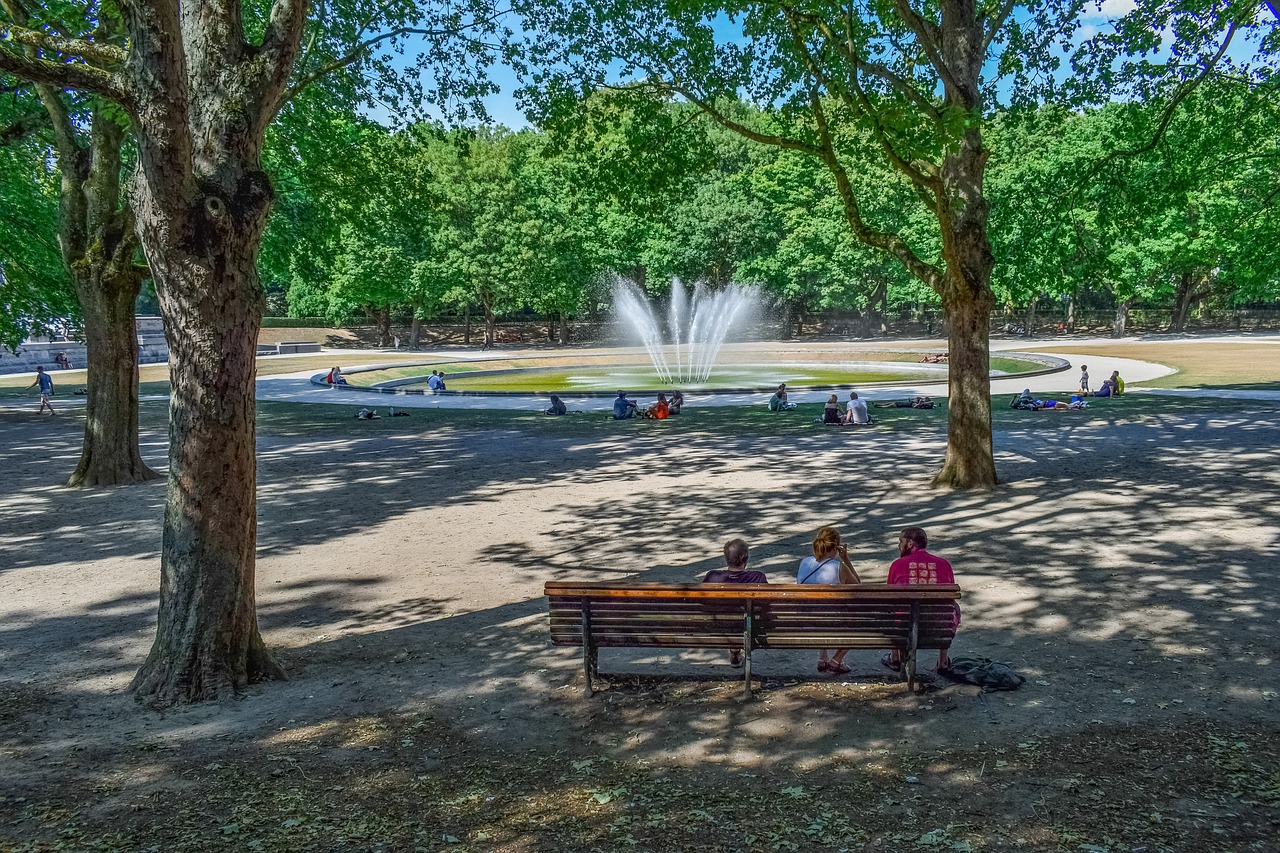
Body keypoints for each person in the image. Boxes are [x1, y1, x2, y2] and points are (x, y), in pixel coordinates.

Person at [885, 527, 959, 672]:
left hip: (904, 627)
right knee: (952, 606)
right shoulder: (944, 564)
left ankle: (895, 656)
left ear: (910, 543)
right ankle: (943, 661)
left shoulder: (897, 565)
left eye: (901, 541)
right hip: (938, 626)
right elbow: (949, 598)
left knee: (893, 606)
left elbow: (890, 597)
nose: (899, 545)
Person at [796, 527, 861, 675]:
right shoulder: (839, 567)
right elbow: (858, 586)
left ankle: (822, 657)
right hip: (834, 623)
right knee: (859, 619)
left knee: (820, 610)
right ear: (836, 547)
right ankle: (837, 659)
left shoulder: (804, 563)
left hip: (806, 621)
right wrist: (846, 559)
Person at [703, 538, 768, 667]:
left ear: (726, 558)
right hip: (749, 629)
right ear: (746, 558)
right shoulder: (757, 578)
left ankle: (734, 651)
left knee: (730, 619)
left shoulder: (712, 577)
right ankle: (735, 651)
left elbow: (701, 604)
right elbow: (767, 606)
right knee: (745, 620)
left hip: (718, 628)